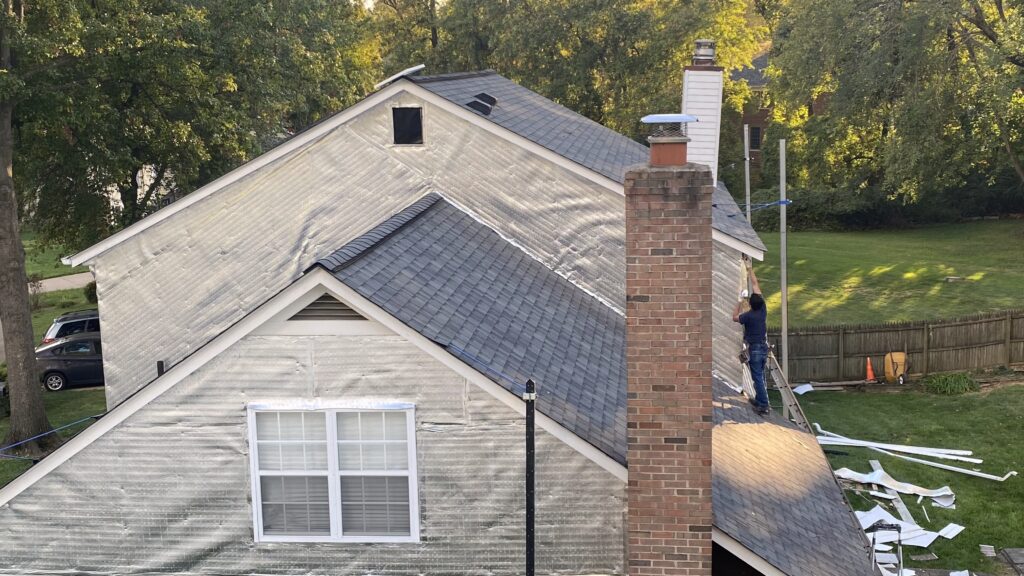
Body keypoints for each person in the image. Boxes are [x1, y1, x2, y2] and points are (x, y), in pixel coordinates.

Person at [733, 257, 770, 415]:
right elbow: (755, 285)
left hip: (755, 349)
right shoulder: (762, 311)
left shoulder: (748, 316)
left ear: (751, 304)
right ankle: (761, 400)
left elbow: (734, 317)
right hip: (763, 347)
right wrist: (749, 268)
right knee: (759, 376)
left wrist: (739, 302)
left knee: (757, 378)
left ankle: (763, 405)